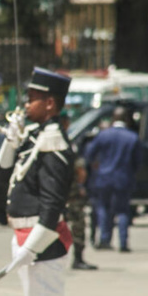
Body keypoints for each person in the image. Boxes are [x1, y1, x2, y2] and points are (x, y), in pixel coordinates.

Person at [0, 67, 75, 296]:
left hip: (44, 241)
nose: (26, 105)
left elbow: (53, 205)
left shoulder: (53, 142)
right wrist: (10, 143)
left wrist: (31, 248)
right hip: (25, 236)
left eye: (33, 99)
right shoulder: (34, 138)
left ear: (51, 104)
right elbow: (1, 180)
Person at [84, 106, 142, 252]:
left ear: (113, 119)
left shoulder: (103, 135)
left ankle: (105, 239)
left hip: (104, 177)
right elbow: (138, 161)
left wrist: (95, 166)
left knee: (103, 207)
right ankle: (123, 243)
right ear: (127, 120)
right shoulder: (133, 137)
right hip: (123, 178)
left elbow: (89, 154)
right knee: (122, 210)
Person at [60, 111, 97, 270]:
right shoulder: (66, 142)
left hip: (57, 193)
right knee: (78, 225)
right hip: (70, 193)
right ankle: (78, 258)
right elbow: (79, 170)